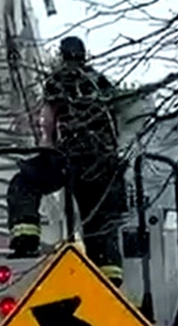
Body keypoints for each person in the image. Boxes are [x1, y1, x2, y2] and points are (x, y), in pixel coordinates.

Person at [7, 35, 128, 286]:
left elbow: (49, 120)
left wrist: (47, 147)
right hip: (104, 163)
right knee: (99, 222)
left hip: (69, 158)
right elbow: (119, 121)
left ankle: (25, 238)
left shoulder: (59, 81)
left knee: (24, 183)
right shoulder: (102, 82)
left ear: (62, 56)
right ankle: (109, 278)